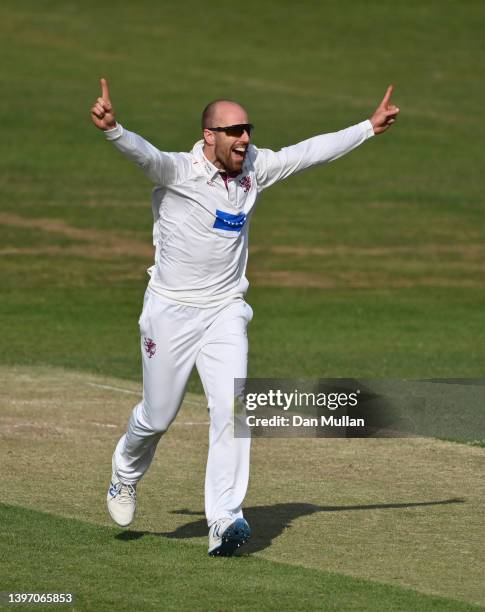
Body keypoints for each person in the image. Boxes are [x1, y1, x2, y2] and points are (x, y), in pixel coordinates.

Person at [90, 79, 399, 556]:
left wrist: (368, 127)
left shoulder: (255, 168)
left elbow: (308, 152)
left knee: (234, 409)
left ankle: (225, 520)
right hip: (170, 311)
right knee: (157, 417)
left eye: (248, 129)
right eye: (234, 130)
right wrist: (114, 130)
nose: (245, 139)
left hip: (225, 310)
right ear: (209, 135)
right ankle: (125, 475)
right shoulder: (179, 171)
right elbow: (145, 156)